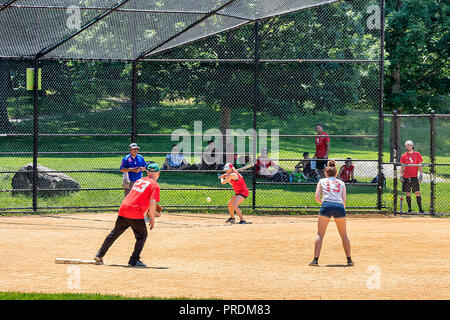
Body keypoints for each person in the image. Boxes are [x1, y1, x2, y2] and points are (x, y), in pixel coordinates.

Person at [94, 162, 161, 268]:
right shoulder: (155, 185)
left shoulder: (139, 180)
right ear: (158, 173)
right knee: (142, 236)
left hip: (124, 208)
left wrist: (149, 211)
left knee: (114, 233)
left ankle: (99, 255)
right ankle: (134, 260)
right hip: (135, 212)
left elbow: (139, 197)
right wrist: (152, 218)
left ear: (147, 172)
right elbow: (152, 203)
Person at [310, 160, 353, 267]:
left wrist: (324, 203)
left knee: (320, 234)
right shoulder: (342, 183)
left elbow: (316, 198)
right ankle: (349, 260)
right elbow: (344, 201)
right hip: (339, 206)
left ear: (326, 173)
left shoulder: (321, 181)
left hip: (326, 205)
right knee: (344, 235)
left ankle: (315, 260)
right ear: (336, 173)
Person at [400, 140, 424, 213]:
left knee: (417, 192)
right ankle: (409, 209)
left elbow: (420, 165)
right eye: (406, 145)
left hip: (414, 176)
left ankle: (420, 209)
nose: (407, 146)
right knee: (408, 193)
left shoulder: (417, 154)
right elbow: (402, 167)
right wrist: (401, 175)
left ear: (412, 146)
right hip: (406, 176)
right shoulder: (404, 156)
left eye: (408, 145)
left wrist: (421, 174)